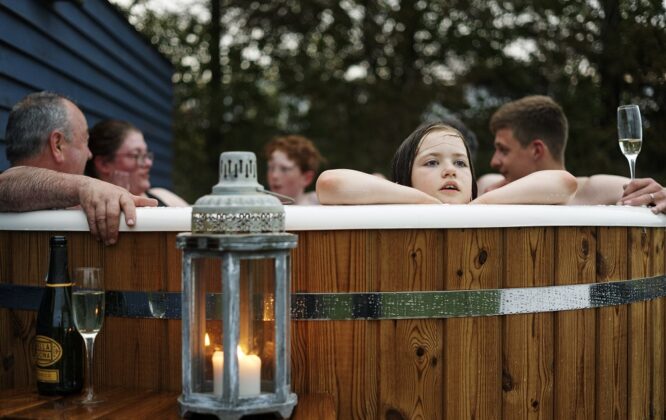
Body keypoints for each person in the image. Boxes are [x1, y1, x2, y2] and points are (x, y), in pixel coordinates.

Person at [0, 91, 156, 245]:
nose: (89, 154)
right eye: (84, 141)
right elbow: (6, 185)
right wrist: (85, 186)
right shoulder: (7, 189)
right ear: (58, 145)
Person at [479, 95, 666, 213]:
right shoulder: (489, 185)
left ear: (537, 150)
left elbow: (653, 194)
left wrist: (660, 196)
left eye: (503, 150)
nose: (494, 161)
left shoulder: (593, 190)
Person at [316, 122, 577, 205]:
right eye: (431, 163)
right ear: (405, 178)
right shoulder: (395, 208)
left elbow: (564, 182)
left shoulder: (487, 207)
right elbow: (330, 183)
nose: (451, 169)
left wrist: (480, 204)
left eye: (461, 164)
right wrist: (421, 200)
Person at [85, 119, 188, 207]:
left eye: (146, 155)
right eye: (136, 155)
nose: (148, 163)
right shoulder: (87, 211)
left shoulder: (162, 195)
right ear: (104, 164)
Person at [264, 135, 324, 205]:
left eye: (284, 169)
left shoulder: (318, 203)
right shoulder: (260, 205)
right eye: (271, 168)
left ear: (307, 178)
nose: (274, 175)